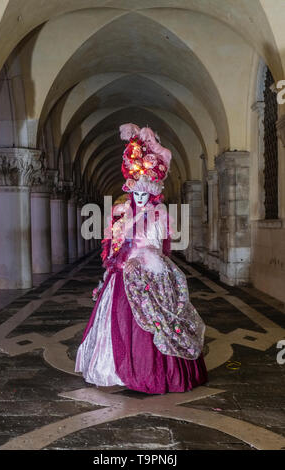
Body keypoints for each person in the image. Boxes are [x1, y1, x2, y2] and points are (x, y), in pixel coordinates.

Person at [75, 123, 208, 394]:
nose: (139, 197)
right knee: (115, 321)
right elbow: (114, 244)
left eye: (144, 193)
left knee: (153, 320)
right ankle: (112, 367)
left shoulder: (158, 216)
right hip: (120, 276)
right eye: (135, 192)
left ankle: (151, 370)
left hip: (147, 275)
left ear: (153, 193)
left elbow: (156, 248)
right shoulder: (122, 211)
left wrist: (140, 260)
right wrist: (117, 253)